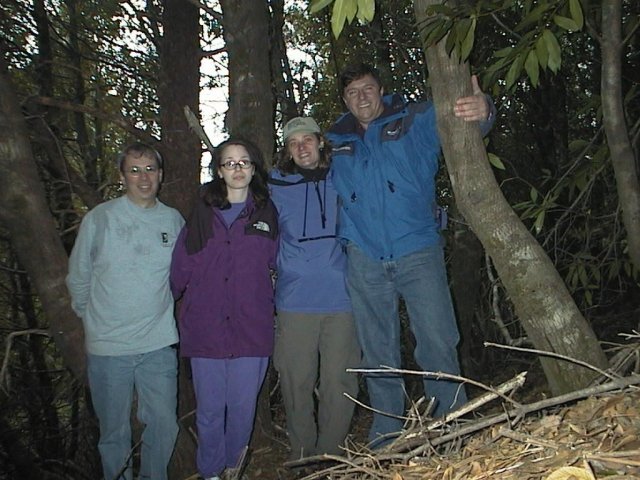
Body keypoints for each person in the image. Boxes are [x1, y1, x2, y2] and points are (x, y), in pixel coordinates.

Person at [325, 63, 496, 444]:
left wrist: (483, 109)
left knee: (436, 341)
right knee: (377, 352)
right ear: (344, 101)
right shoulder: (336, 139)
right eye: (352, 93)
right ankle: (387, 436)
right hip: (365, 258)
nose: (361, 97)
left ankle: (453, 426)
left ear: (381, 89)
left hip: (416, 248)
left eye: (367, 89)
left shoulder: (413, 118)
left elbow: (463, 118)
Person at [66, 142, 184, 480]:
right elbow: (79, 277)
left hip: (158, 345)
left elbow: (180, 275)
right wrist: (91, 319)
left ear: (160, 175)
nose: (143, 177)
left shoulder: (172, 220)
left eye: (150, 169)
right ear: (122, 176)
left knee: (164, 425)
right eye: (134, 170)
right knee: (114, 434)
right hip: (109, 349)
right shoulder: (100, 219)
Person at [170, 138, 278, 480]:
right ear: (218, 170)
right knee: (211, 412)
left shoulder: (266, 213)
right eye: (229, 163)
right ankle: (211, 472)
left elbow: (281, 262)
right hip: (206, 329)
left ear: (254, 168)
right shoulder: (201, 214)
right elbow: (179, 268)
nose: (237, 169)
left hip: (251, 328)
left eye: (243, 162)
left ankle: (233, 469)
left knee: (243, 410)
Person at [269, 117, 360, 461]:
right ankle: (303, 456)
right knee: (296, 384)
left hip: (343, 298)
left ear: (321, 142)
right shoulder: (274, 185)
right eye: (294, 143)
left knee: (340, 383)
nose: (301, 147)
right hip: (294, 301)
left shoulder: (345, 174)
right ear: (287, 151)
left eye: (307, 140)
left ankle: (331, 458)